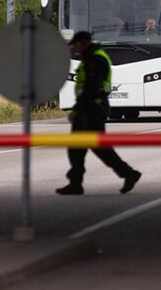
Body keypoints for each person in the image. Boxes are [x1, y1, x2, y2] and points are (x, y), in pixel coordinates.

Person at [56, 31, 141, 195]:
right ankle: (76, 183)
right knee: (78, 147)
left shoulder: (96, 59)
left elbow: (90, 88)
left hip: (92, 109)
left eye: (76, 45)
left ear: (84, 43)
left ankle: (128, 173)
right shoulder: (90, 58)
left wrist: (77, 109)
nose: (74, 49)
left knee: (98, 147)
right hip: (90, 108)